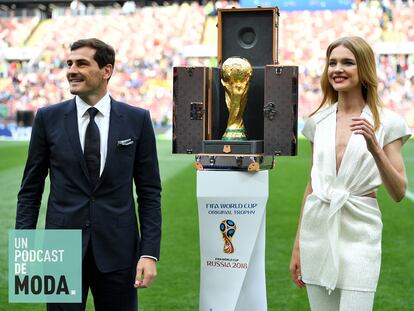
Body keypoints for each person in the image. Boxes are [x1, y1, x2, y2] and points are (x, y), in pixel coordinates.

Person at [15, 38, 162, 311]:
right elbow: (30, 190)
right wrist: (23, 249)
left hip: (119, 249)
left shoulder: (137, 119)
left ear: (107, 70)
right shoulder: (47, 117)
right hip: (59, 251)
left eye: (82, 63)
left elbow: (150, 192)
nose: (71, 70)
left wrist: (149, 253)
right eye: (69, 63)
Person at [289, 36, 411, 310]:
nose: (337, 69)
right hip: (316, 232)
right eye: (332, 63)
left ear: (364, 68)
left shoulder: (388, 122)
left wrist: (375, 148)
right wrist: (298, 244)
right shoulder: (317, 122)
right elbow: (312, 185)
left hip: (361, 234)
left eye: (347, 62)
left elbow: (399, 192)